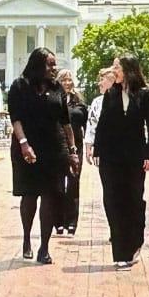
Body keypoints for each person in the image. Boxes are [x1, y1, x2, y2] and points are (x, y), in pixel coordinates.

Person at [8, 48, 81, 265]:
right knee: (29, 196)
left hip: (54, 149)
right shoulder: (19, 86)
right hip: (27, 148)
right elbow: (16, 119)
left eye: (54, 64)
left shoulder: (57, 88)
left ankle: (45, 247)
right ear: (37, 65)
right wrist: (24, 144)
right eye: (50, 64)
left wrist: (73, 151)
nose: (54, 68)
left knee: (50, 197)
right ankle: (27, 239)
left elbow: (66, 123)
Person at [93, 55, 149, 271]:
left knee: (134, 201)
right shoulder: (110, 93)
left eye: (117, 67)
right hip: (111, 158)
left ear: (129, 70)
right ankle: (120, 252)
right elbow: (103, 124)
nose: (113, 70)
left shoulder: (145, 94)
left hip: (134, 157)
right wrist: (97, 149)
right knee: (112, 200)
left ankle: (135, 240)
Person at [55, 69, 88, 236]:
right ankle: (58, 221)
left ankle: (72, 222)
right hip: (58, 147)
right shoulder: (54, 101)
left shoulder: (79, 104)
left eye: (69, 80)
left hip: (77, 148)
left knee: (73, 183)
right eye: (64, 80)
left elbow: (88, 126)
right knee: (58, 185)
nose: (67, 83)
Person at [84, 68, 116, 164]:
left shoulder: (125, 99)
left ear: (112, 81)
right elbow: (91, 125)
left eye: (102, 80)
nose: (99, 83)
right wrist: (88, 147)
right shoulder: (97, 102)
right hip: (103, 151)